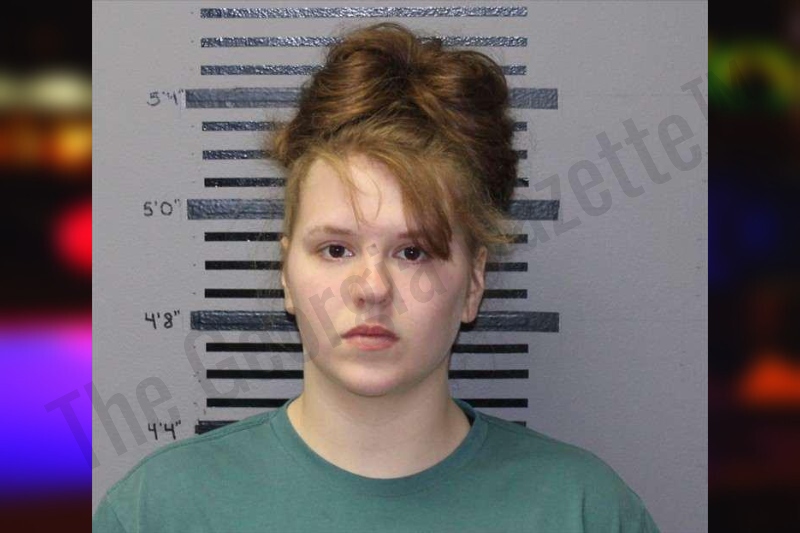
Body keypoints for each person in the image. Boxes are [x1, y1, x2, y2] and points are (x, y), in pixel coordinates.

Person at [93, 22, 660, 532]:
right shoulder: (158, 511)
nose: (371, 288)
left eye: (413, 252)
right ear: (286, 273)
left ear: (473, 284)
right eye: (335, 249)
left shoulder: (584, 511)